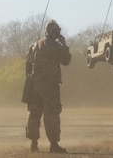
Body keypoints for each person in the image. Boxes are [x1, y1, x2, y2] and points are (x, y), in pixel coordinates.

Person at [25, 20, 72, 153]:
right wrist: (64, 45)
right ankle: (53, 144)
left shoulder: (35, 45)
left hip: (34, 86)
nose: (59, 33)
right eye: (58, 31)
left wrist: (30, 79)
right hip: (50, 87)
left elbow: (27, 64)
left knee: (34, 114)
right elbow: (67, 60)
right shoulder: (56, 47)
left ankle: (34, 144)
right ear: (54, 32)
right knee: (51, 115)